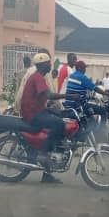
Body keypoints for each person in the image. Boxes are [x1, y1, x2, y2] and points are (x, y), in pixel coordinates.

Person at [18, 52, 67, 184]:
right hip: (32, 114)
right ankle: (44, 152)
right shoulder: (38, 77)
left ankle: (47, 173)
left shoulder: (39, 77)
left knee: (57, 118)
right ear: (43, 65)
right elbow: (48, 95)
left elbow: (42, 97)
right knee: (60, 124)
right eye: (49, 63)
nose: (50, 65)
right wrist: (67, 96)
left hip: (36, 111)